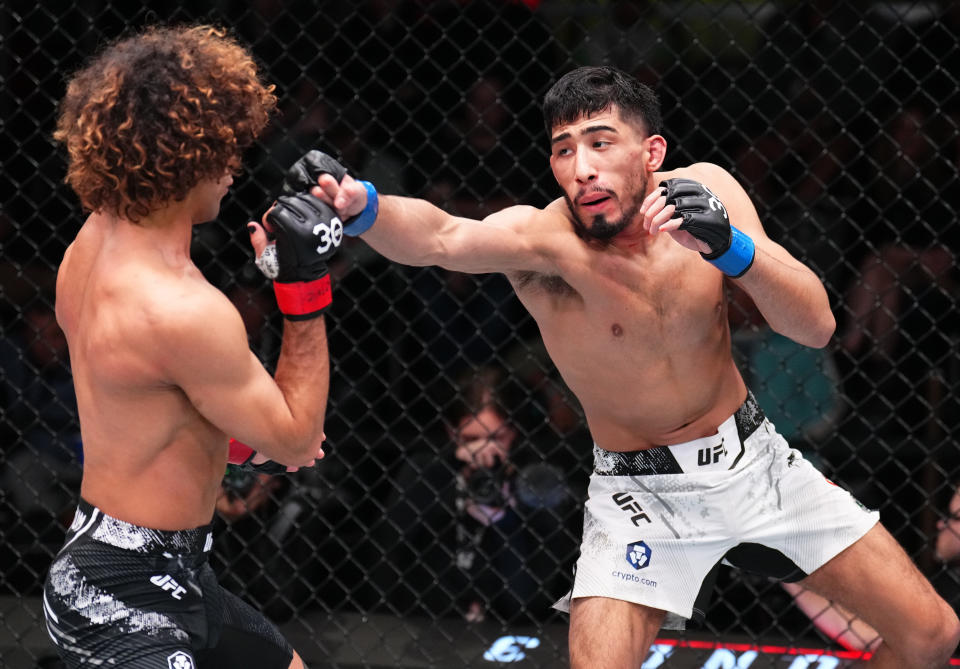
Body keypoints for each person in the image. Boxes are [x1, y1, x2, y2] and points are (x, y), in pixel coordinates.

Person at [291, 66, 960, 667]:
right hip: (641, 495)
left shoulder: (710, 193)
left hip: (753, 462)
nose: (580, 167)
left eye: (600, 142)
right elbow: (442, 234)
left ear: (652, 152)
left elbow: (814, 324)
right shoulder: (544, 243)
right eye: (563, 149)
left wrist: (733, 250)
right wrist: (361, 207)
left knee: (931, 635)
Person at [42, 25, 347, 669]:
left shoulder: (88, 249)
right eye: (226, 147)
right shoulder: (182, 307)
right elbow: (297, 441)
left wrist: (231, 437)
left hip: (163, 571)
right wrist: (303, 289)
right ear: (188, 153)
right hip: (120, 600)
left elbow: (139, 394)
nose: (236, 164)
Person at [373, 366, 578, 623]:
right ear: (452, 433)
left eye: (495, 438)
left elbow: (531, 596)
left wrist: (505, 523)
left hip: (510, 624)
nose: (482, 450)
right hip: (429, 622)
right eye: (471, 438)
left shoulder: (533, 481)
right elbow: (388, 549)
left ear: (512, 433)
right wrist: (449, 468)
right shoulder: (429, 471)